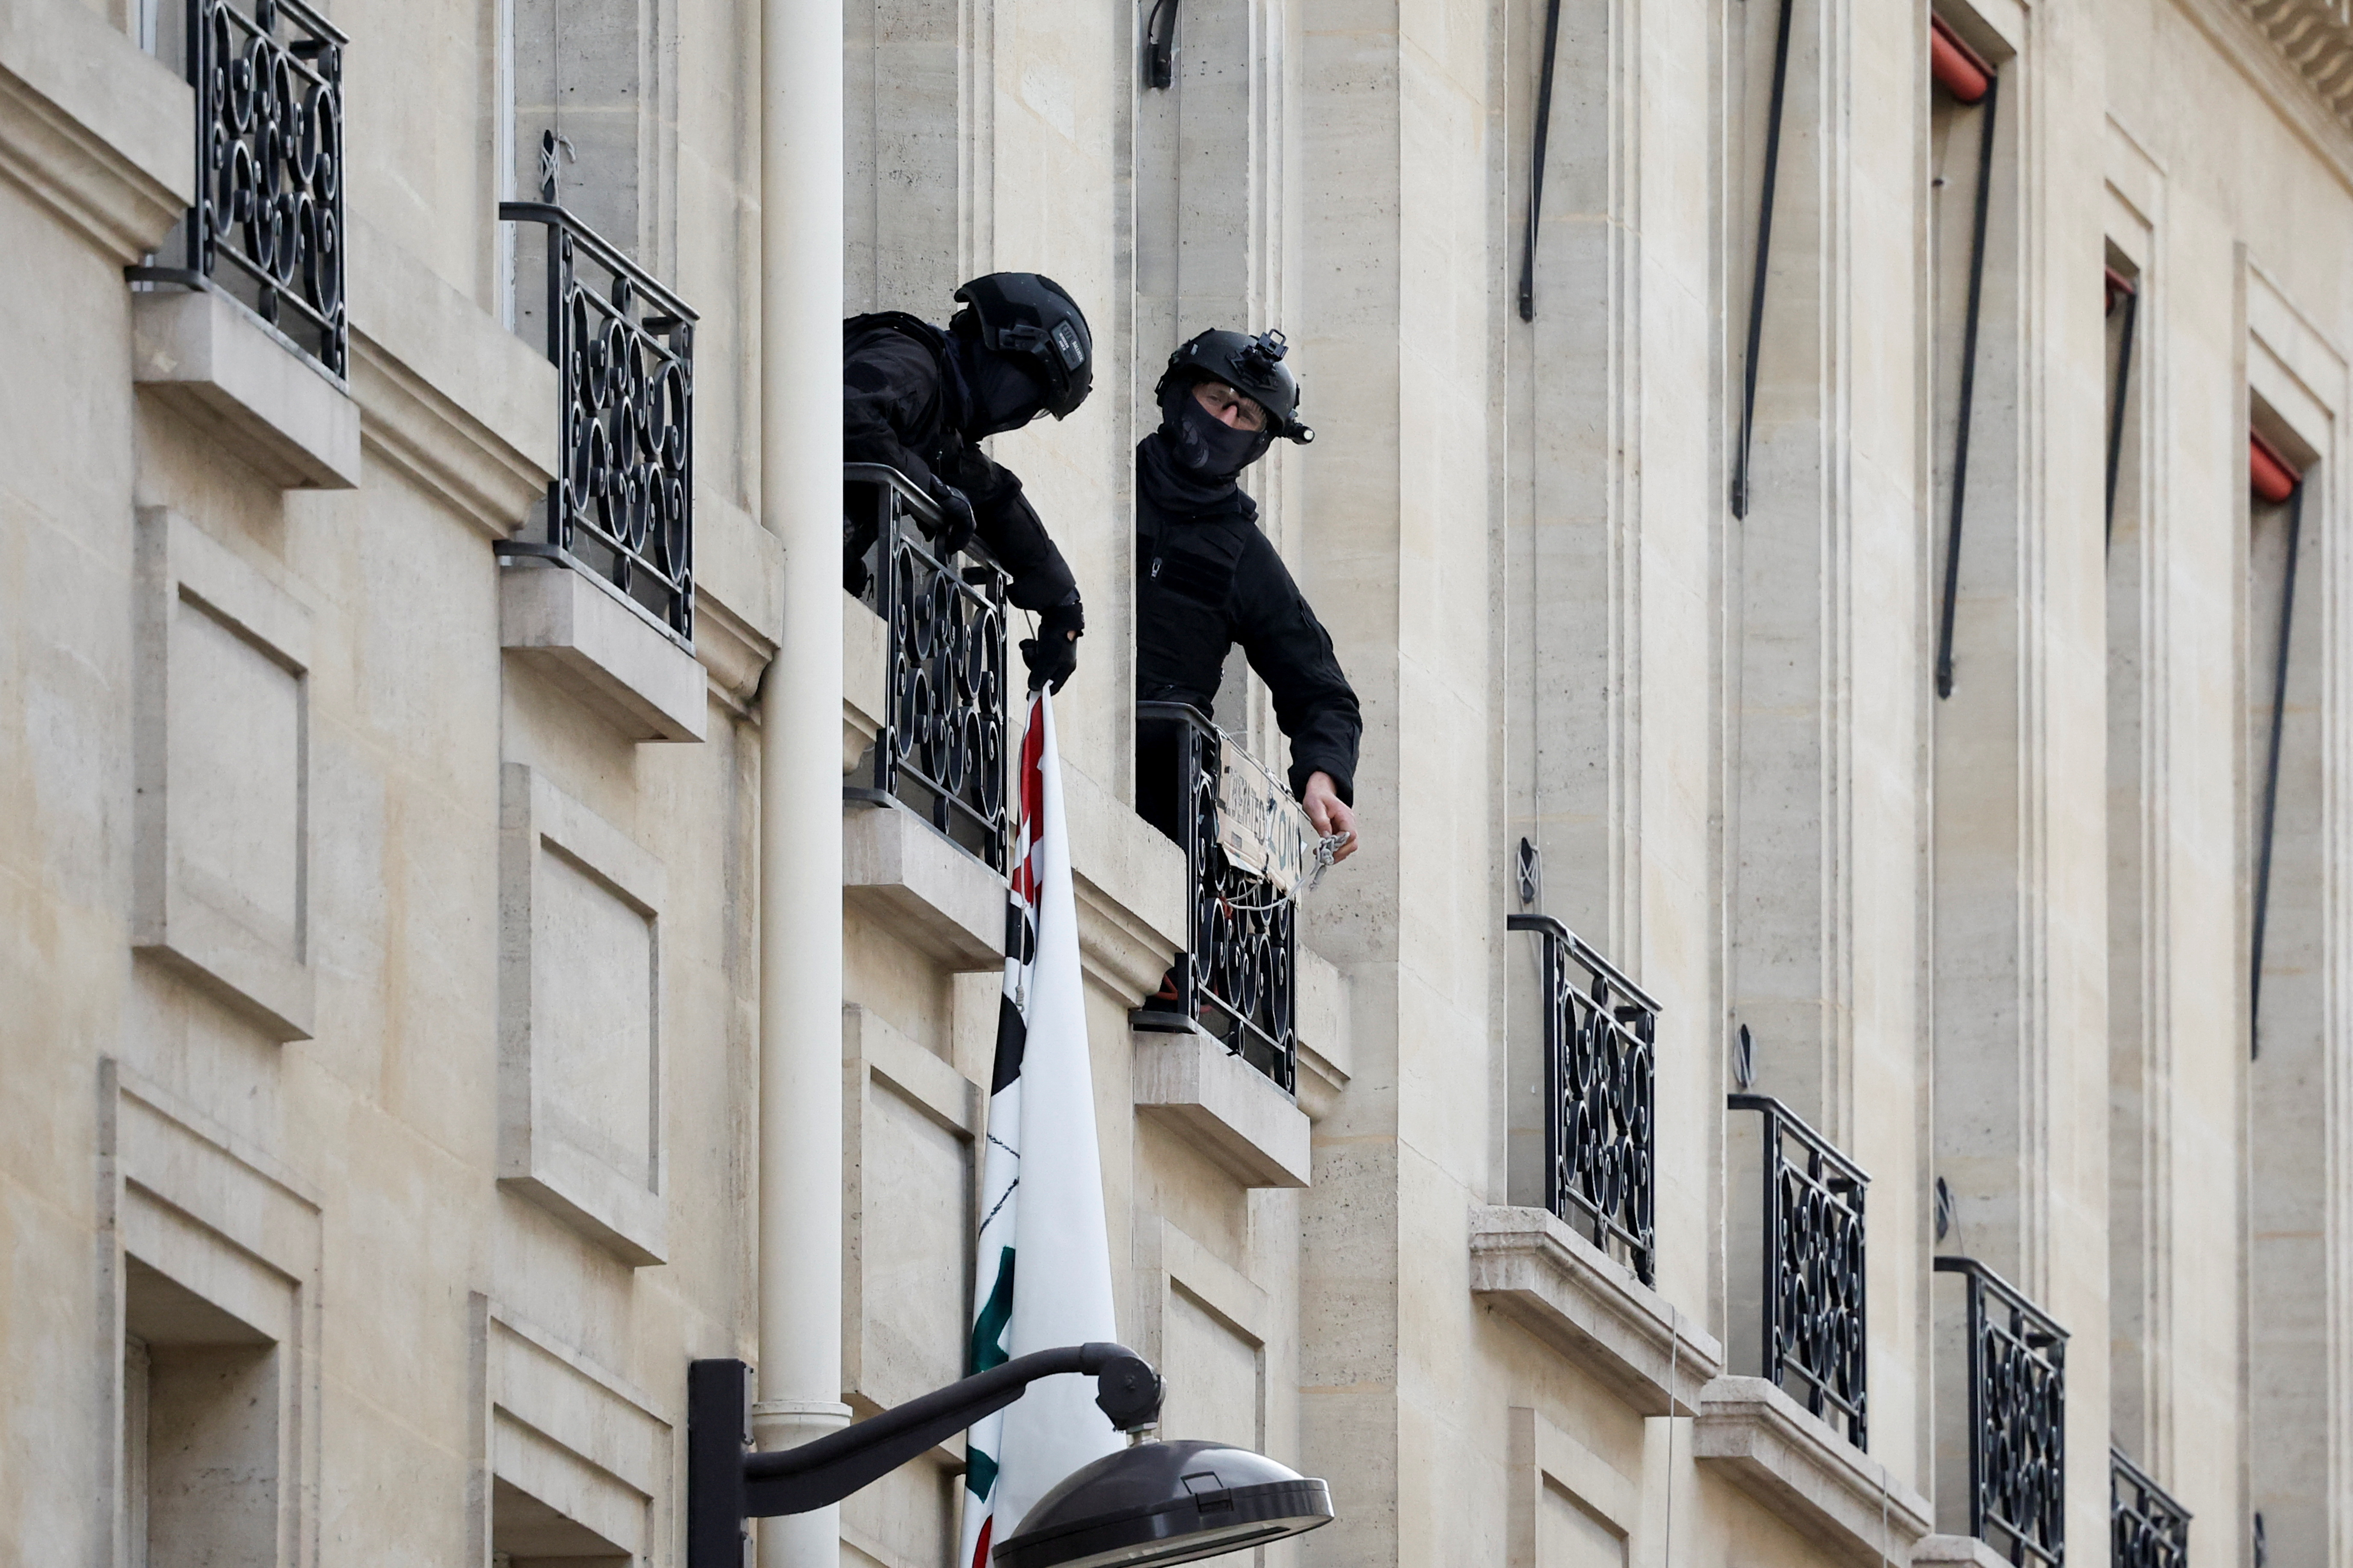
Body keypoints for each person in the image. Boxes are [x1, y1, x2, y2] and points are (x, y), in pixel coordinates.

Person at [1135, 328, 1361, 861]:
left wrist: (1323, 779)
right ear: (1179, 394)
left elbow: (1322, 693)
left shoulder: (1244, 557)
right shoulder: (1102, 479)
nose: (1226, 421)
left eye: (1247, 416)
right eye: (1217, 400)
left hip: (1161, 800)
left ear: (1261, 441)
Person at [843, 273, 1091, 692]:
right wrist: (930, 487)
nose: (1015, 416)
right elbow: (850, 411)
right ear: (999, 352)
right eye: (1026, 394)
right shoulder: (914, 361)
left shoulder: (943, 418)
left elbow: (995, 499)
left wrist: (1063, 607)